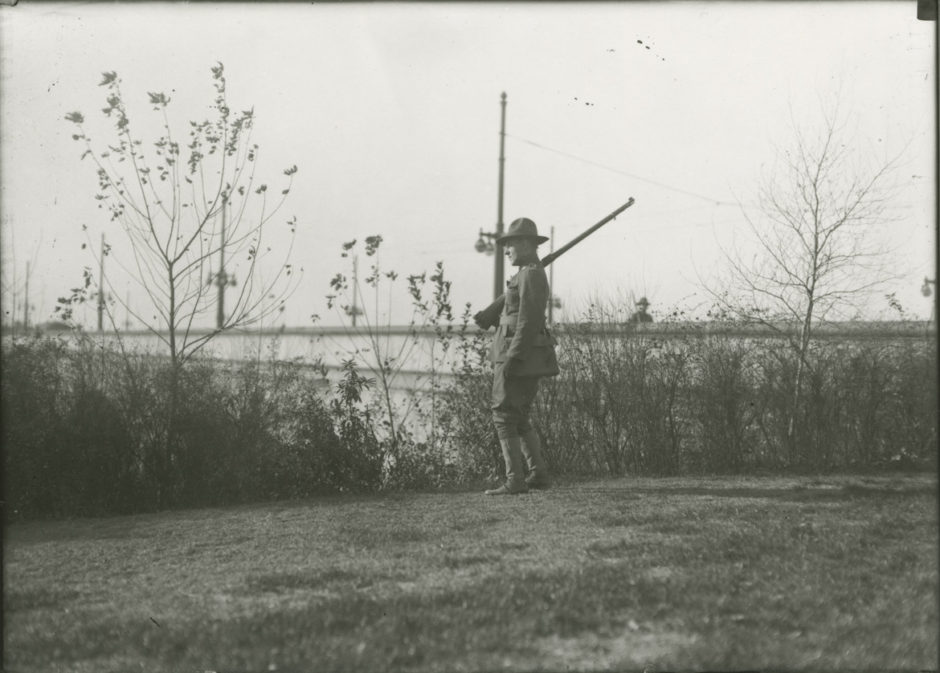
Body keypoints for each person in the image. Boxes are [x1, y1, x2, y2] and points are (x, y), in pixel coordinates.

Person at [480, 217, 559, 495]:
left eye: (511, 244)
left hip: (517, 355)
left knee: (503, 415)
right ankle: (538, 475)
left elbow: (527, 320)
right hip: (519, 353)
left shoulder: (530, 274)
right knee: (519, 416)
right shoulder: (527, 273)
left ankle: (515, 480)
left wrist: (514, 357)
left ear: (526, 244)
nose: (507, 250)